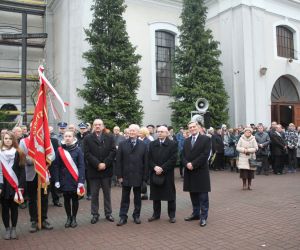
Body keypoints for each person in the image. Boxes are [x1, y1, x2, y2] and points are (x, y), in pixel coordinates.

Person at [19, 130, 55, 232]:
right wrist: (33, 161)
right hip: (31, 174)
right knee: (32, 199)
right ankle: (34, 220)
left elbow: (52, 154)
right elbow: (22, 156)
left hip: (43, 173)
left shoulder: (45, 140)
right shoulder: (24, 141)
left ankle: (43, 219)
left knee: (44, 198)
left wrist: (43, 161)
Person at [83, 119, 116, 224]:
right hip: (94, 170)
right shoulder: (87, 138)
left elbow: (113, 151)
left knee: (107, 194)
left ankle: (108, 213)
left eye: (99, 124)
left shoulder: (110, 137)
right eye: (95, 124)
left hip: (106, 170)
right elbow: (87, 154)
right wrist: (97, 164)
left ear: (103, 126)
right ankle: (95, 214)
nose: (97, 126)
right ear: (93, 126)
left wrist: (105, 163)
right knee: (94, 194)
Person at [116, 124, 148, 226]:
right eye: (130, 130)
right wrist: (119, 176)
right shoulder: (122, 144)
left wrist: (145, 177)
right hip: (126, 176)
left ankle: (136, 216)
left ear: (138, 132)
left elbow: (146, 162)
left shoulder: (143, 145)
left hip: (138, 176)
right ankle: (123, 216)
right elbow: (118, 162)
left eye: (134, 131)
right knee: (124, 197)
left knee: (137, 198)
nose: (132, 132)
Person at [183, 121, 211, 227]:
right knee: (193, 194)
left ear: (199, 127)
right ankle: (195, 214)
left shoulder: (206, 139)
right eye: (190, 127)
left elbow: (205, 155)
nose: (192, 128)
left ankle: (203, 217)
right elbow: (183, 155)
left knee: (203, 196)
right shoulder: (186, 141)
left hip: (200, 171)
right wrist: (186, 164)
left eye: (194, 127)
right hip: (189, 172)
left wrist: (193, 164)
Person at [55, 130, 85, 228]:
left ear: (73, 138)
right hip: (64, 180)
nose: (67, 138)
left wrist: (81, 181)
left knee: (75, 200)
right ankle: (68, 218)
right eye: (66, 136)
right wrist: (57, 180)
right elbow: (56, 166)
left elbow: (81, 166)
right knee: (66, 200)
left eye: (69, 136)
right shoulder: (59, 150)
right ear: (64, 137)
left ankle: (74, 218)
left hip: (75, 180)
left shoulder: (78, 150)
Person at [148, 126, 177, 223]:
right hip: (155, 172)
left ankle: (172, 215)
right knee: (156, 195)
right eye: (158, 131)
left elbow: (173, 159)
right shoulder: (152, 144)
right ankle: (156, 214)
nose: (159, 133)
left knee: (170, 195)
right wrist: (154, 167)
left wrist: (162, 168)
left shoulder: (172, 144)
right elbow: (149, 158)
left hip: (167, 174)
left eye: (162, 132)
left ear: (167, 133)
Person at [0, 131, 26, 240]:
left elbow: (22, 171)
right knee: (4, 208)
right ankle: (7, 229)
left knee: (14, 208)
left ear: (13, 140)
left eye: (10, 139)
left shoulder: (18, 152)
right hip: (3, 185)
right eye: (5, 138)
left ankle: (14, 229)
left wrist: (20, 186)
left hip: (15, 185)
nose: (7, 140)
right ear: (3, 140)